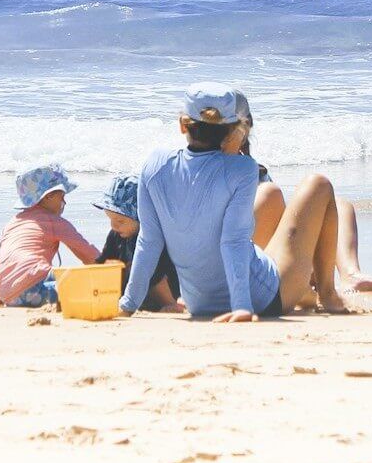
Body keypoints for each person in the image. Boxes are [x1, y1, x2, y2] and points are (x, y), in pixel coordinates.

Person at [118, 84, 349, 321]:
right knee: (318, 184)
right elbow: (233, 240)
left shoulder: (155, 165)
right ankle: (328, 294)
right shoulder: (242, 169)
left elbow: (149, 240)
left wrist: (127, 304)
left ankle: (307, 294)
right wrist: (242, 307)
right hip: (265, 299)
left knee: (267, 205)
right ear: (232, 129)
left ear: (182, 125)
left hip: (200, 304)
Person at [235, 95, 372, 295]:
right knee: (274, 196)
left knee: (340, 206)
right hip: (247, 259)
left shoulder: (255, 169)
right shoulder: (220, 171)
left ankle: (351, 275)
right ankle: (317, 281)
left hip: (266, 250)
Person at [0, 165, 101, 308]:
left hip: (7, 293)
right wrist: (110, 270)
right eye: (62, 197)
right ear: (48, 196)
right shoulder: (52, 221)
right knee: (86, 283)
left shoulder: (13, 223)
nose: (64, 202)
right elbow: (87, 253)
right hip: (33, 288)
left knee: (59, 276)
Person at [93, 175, 182, 312]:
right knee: (111, 268)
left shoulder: (151, 239)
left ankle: (170, 303)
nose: (114, 226)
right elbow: (101, 263)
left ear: (142, 217)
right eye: (110, 219)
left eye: (120, 221)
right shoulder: (116, 235)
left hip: (166, 286)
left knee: (146, 264)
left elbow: (157, 271)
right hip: (136, 290)